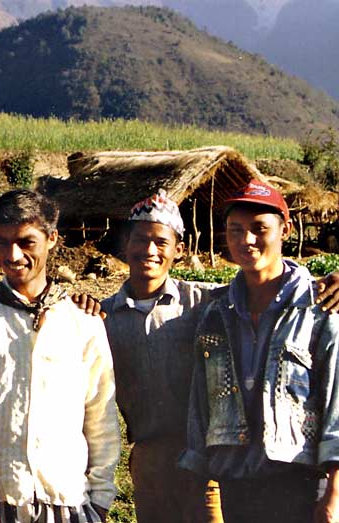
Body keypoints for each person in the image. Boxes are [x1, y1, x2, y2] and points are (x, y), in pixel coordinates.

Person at [0, 188, 120, 523]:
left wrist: (101, 498)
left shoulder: (83, 321)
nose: (13, 255)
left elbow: (100, 414)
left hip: (67, 499)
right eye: (2, 242)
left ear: (52, 239)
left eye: (26, 242)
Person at [180, 180, 339, 523]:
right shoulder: (215, 313)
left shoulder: (320, 310)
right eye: (235, 230)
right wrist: (199, 483)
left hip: (299, 481)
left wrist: (334, 493)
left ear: (286, 230)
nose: (246, 240)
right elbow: (200, 405)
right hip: (236, 482)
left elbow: (336, 404)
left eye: (259, 229)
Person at [101, 191, 223, 523]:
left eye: (161, 242)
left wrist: (324, 283)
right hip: (149, 458)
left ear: (178, 250)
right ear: (126, 244)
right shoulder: (102, 317)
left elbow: (265, 290)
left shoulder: (202, 301)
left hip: (204, 459)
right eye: (141, 240)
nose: (149, 250)